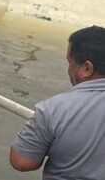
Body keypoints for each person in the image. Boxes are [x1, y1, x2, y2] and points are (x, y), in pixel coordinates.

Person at [9, 25, 105, 179]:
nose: (68, 69)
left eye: (70, 62)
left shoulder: (53, 109)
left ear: (87, 68)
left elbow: (22, 162)